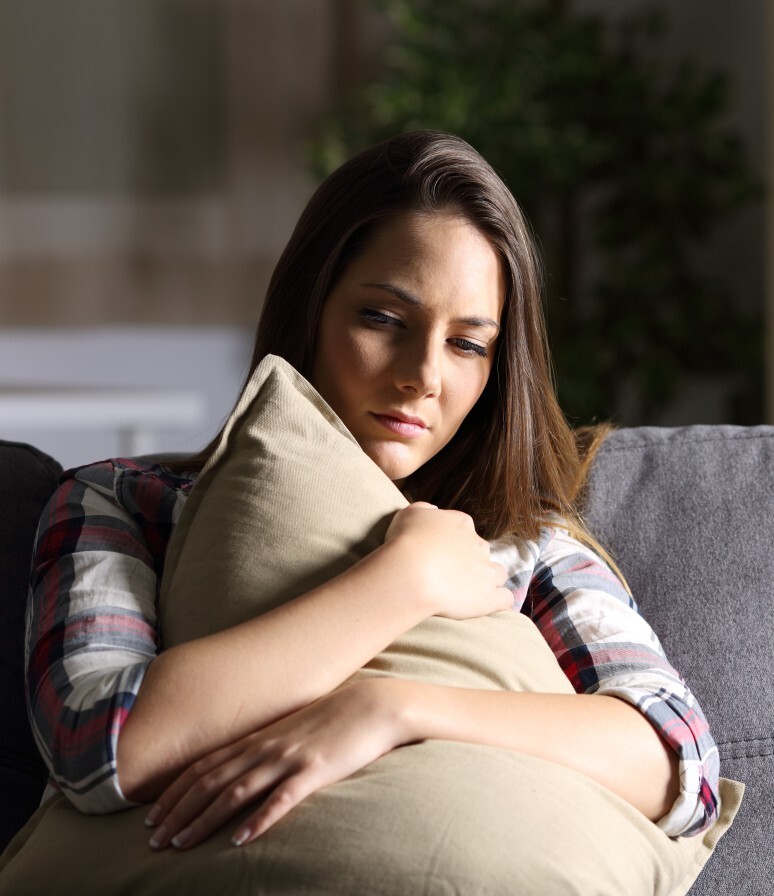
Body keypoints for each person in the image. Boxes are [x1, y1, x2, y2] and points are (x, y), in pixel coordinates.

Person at [26, 131, 719, 857]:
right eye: (384, 319)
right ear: (311, 310)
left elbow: (682, 766)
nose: (423, 374)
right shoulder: (124, 503)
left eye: (467, 344)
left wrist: (392, 708)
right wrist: (403, 579)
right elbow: (98, 747)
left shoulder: (524, 548)